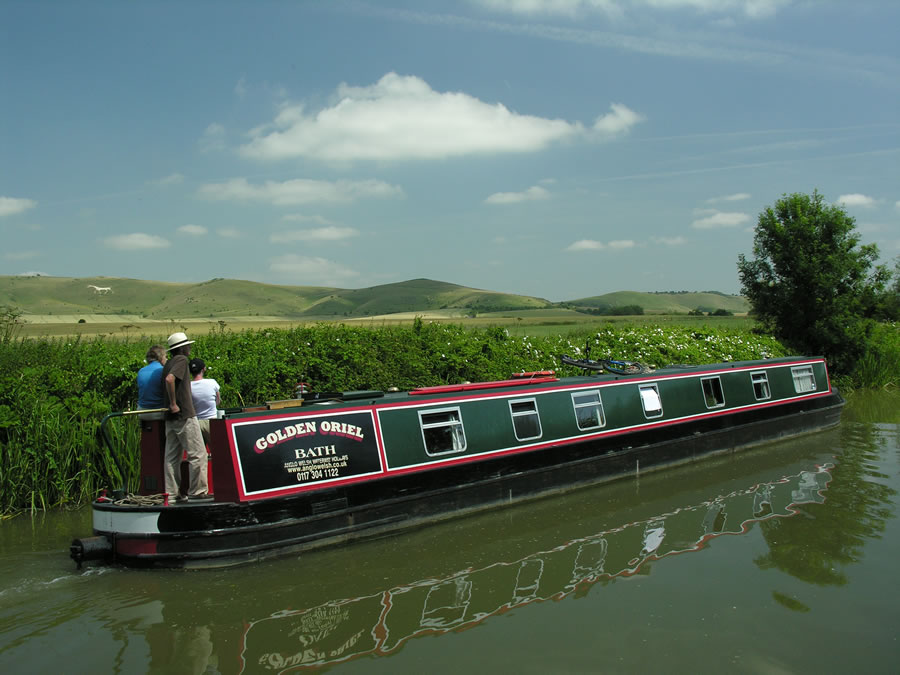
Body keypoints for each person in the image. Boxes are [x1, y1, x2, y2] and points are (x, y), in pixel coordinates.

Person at [161, 332, 210, 502]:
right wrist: (175, 403)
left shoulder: (168, 363)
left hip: (169, 418)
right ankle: (198, 492)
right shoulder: (181, 361)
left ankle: (172, 494)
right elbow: (170, 379)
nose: (190, 348)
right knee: (198, 454)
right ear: (182, 348)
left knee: (171, 457)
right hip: (184, 415)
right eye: (188, 345)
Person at [189, 357, 220, 445]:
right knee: (217, 449)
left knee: (199, 453)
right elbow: (218, 401)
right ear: (204, 369)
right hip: (212, 421)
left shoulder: (188, 386)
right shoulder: (212, 382)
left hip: (195, 423)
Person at [136, 345, 167, 413]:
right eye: (165, 356)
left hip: (142, 410)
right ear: (160, 357)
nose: (166, 359)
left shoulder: (141, 371)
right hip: (159, 410)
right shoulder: (163, 370)